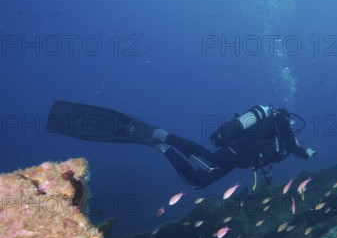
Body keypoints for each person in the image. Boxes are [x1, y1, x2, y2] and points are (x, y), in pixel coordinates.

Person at [47, 101, 317, 189]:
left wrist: (304, 152)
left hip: (238, 159)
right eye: (293, 124)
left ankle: (159, 145)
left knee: (197, 182)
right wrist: (307, 152)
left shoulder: (281, 130)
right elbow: (294, 148)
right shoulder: (282, 125)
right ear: (289, 119)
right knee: (207, 164)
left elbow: (290, 149)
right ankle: (162, 136)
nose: (294, 128)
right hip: (236, 152)